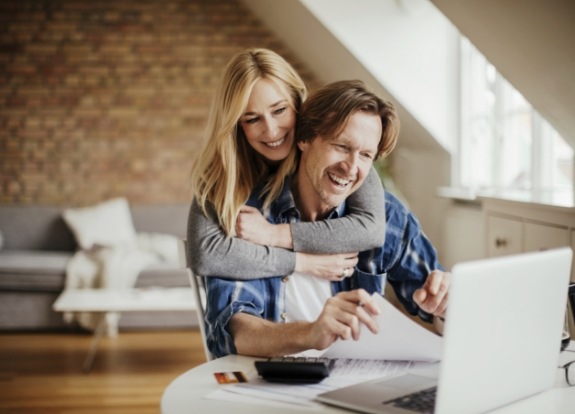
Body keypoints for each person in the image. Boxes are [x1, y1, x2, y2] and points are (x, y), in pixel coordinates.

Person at [204, 80, 450, 358]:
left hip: (358, 382)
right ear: (304, 138)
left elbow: (436, 309)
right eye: (341, 146)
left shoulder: (388, 216)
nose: (351, 168)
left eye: (366, 155)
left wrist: (445, 307)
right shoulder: (249, 219)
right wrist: (310, 333)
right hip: (272, 383)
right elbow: (237, 332)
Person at [188, 48, 393, 281]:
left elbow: (371, 229)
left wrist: (273, 235)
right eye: (253, 119)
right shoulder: (221, 172)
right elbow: (206, 254)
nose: (272, 130)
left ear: (297, 102)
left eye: (280, 110)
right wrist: (302, 262)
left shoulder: (332, 149)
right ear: (236, 125)